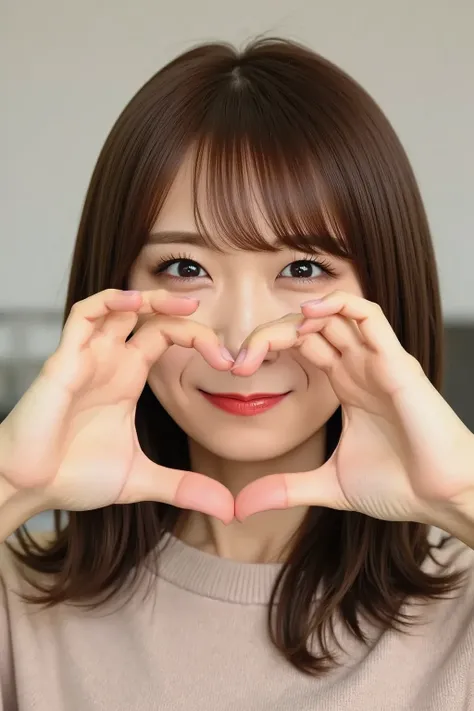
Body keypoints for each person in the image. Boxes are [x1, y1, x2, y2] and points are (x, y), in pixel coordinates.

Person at [0, 36, 473, 711]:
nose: (243, 340)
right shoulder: (20, 607)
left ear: (383, 299)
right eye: (185, 268)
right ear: (120, 293)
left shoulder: (461, 611)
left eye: (303, 269)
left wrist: (461, 493)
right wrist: (10, 483)